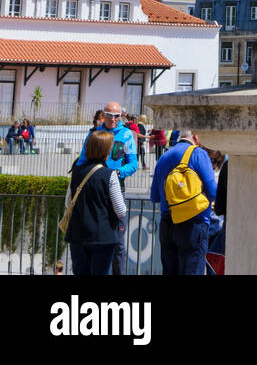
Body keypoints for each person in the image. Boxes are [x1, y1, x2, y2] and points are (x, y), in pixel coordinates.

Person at [75, 101, 137, 276]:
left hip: (116, 186)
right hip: (95, 188)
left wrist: (117, 172)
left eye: (118, 116)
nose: (114, 119)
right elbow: (82, 160)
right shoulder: (94, 133)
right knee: (91, 238)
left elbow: (133, 164)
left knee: (118, 242)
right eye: (110, 115)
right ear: (103, 115)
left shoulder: (126, 135)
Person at [150, 131, 218, 275]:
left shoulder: (164, 157)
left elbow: (155, 196)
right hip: (194, 223)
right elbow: (212, 191)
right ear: (196, 135)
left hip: (167, 223)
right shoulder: (198, 154)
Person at [64, 128, 127, 276]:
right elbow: (120, 210)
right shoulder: (109, 175)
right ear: (106, 150)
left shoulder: (76, 172)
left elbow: (68, 203)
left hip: (77, 235)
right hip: (103, 236)